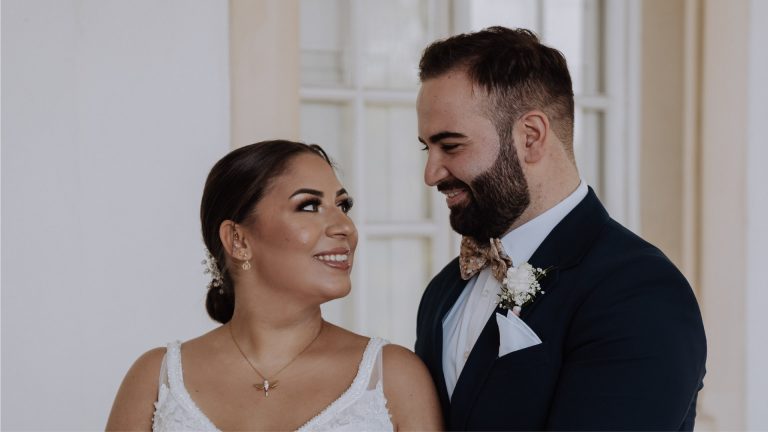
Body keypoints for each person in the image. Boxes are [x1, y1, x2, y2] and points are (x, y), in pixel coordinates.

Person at [414, 27, 706, 430]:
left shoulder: (639, 290)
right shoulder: (444, 291)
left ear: (530, 137)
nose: (431, 174)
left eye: (451, 146)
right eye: (426, 148)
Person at [106, 140, 442, 431]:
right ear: (238, 240)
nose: (345, 227)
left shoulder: (394, 379)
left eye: (343, 206)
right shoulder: (155, 380)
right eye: (309, 206)